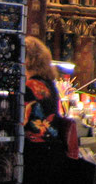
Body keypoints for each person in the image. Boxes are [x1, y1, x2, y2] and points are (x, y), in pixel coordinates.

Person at [23, 36, 70, 183]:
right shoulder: (49, 84)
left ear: (27, 59)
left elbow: (21, 119)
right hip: (53, 149)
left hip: (36, 150)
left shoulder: (31, 85)